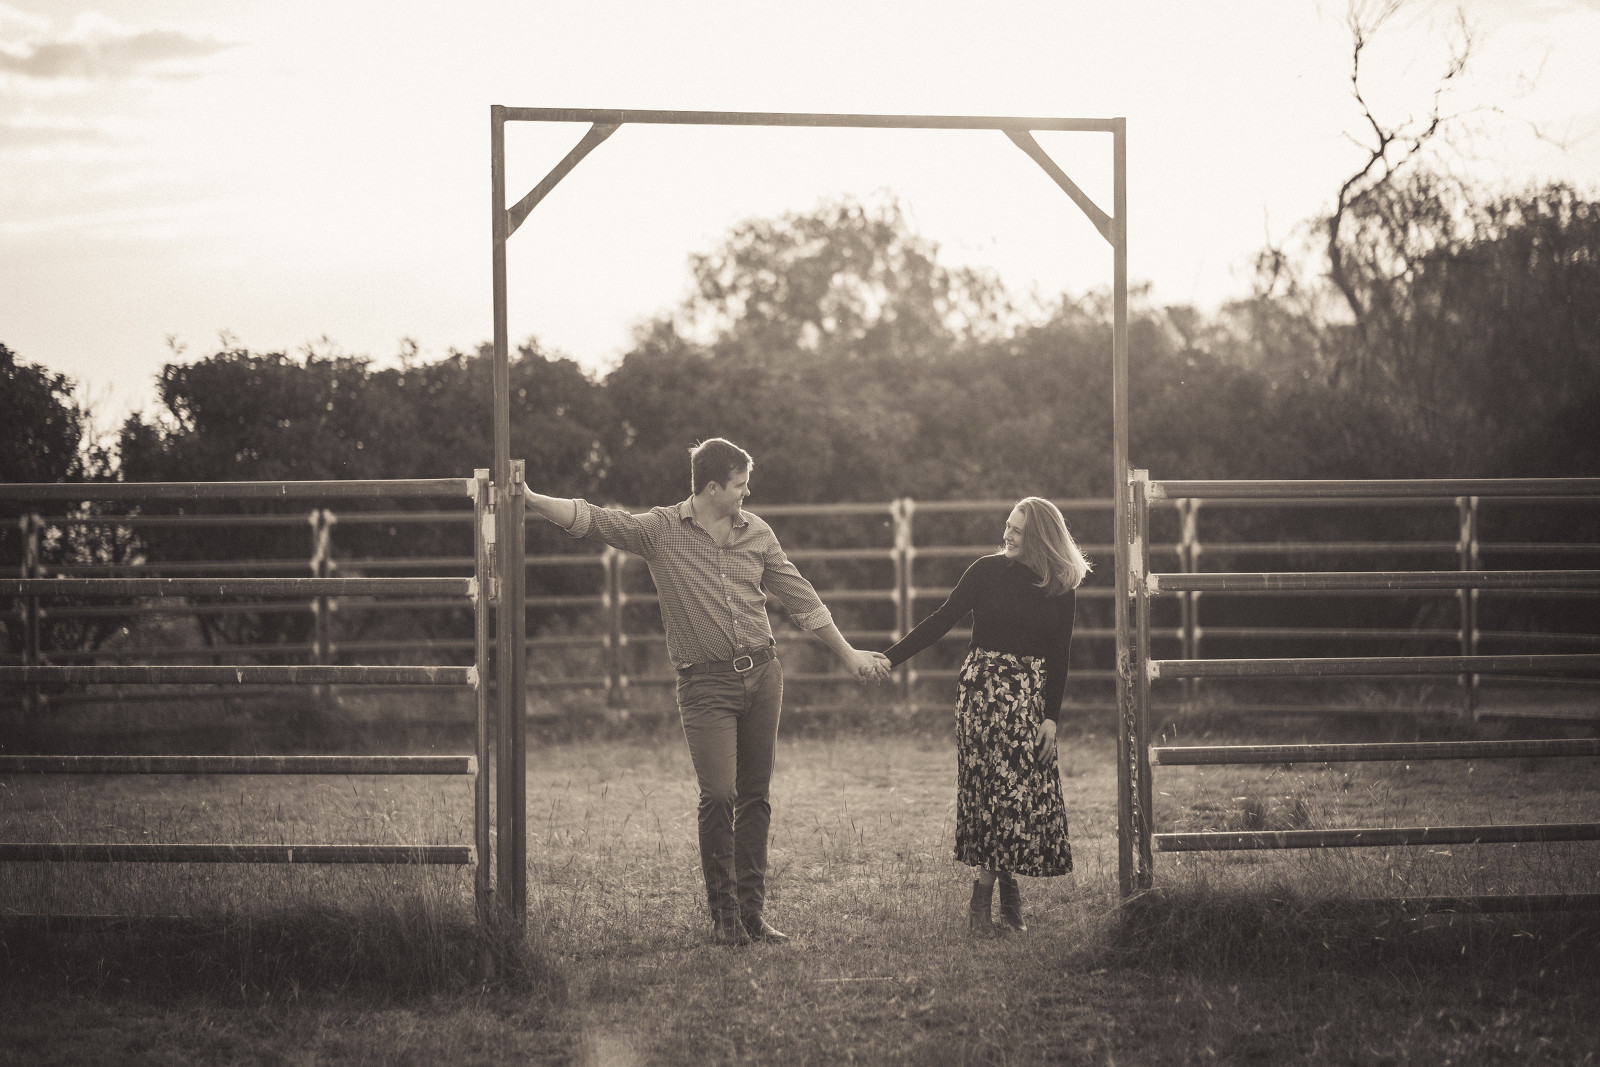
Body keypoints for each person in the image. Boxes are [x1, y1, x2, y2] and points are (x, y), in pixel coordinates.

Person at [523, 438, 889, 946]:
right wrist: (533, 499)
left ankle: (752, 914)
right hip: (704, 684)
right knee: (719, 795)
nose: (747, 492)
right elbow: (597, 520)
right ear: (712, 487)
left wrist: (848, 655)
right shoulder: (660, 531)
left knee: (755, 795)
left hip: (763, 675)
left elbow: (800, 596)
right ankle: (724, 916)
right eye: (740, 484)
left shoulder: (757, 532)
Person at [880, 496, 1089, 935]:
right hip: (983, 694)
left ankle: (1007, 898)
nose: (1006, 534)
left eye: (1017, 530)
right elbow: (940, 620)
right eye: (1007, 525)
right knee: (995, 791)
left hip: (1028, 697)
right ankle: (982, 908)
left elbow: (1060, 655)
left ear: (1039, 537)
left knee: (1012, 792)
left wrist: (1051, 718)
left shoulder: (1059, 585)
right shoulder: (985, 571)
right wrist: (889, 659)